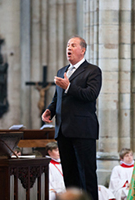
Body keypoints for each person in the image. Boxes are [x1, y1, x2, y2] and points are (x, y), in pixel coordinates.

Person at [42, 36, 102, 200]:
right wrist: (50, 110)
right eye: (68, 45)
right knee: (70, 175)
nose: (69, 48)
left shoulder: (92, 70)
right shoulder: (62, 71)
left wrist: (68, 86)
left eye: (73, 45)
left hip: (83, 130)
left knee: (86, 175)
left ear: (82, 50)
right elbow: (57, 98)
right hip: (63, 130)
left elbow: (91, 95)